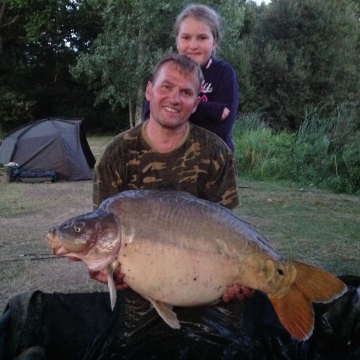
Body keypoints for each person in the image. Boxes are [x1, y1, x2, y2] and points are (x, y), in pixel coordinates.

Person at [92, 53, 253, 302]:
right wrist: (98, 263)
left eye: (186, 93)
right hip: (139, 289)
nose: (174, 99)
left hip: (200, 281)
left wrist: (236, 276)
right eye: (166, 87)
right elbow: (101, 229)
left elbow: (226, 229)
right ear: (149, 91)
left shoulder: (216, 152)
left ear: (197, 102)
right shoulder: (117, 153)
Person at [143, 4, 239, 152]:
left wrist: (175, 115)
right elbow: (150, 119)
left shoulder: (224, 73)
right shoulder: (165, 70)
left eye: (202, 38)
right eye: (186, 37)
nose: (193, 45)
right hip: (167, 159)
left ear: (214, 42)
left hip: (213, 160)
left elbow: (220, 131)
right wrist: (210, 110)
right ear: (177, 41)